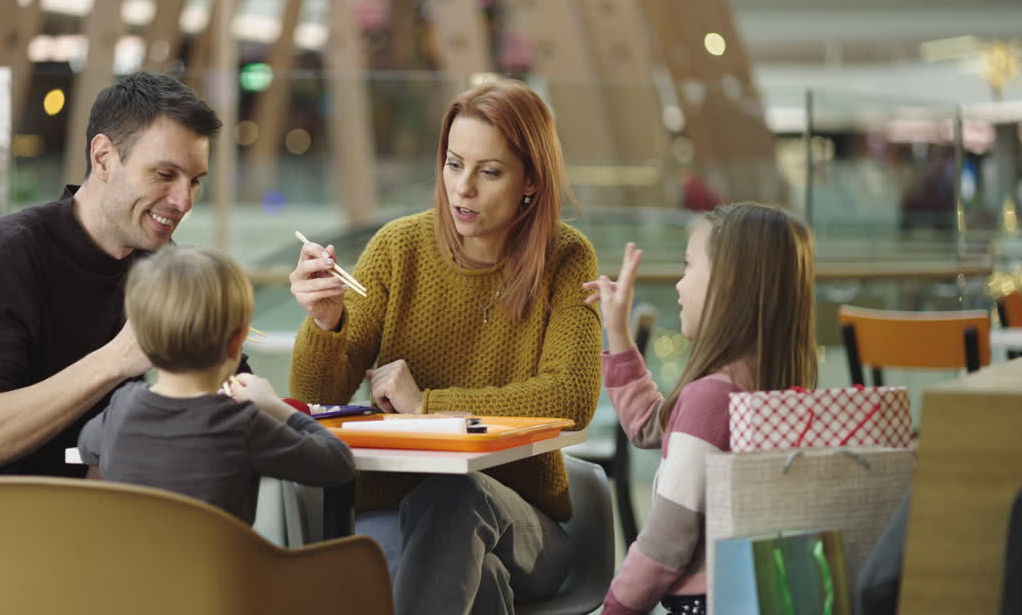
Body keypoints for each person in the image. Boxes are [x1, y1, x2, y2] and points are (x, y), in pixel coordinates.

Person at [288, 80, 603, 615]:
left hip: (524, 523)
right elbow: (315, 399)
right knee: (479, 581)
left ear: (530, 181)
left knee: (457, 495)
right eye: (454, 164)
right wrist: (326, 322)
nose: (463, 189)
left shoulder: (566, 259)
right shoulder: (397, 249)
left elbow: (570, 399)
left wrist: (426, 408)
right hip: (393, 516)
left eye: (489, 171)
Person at [0, 71, 231, 494]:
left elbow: (226, 384)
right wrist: (118, 358)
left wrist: (322, 326)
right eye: (164, 175)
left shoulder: (158, 262)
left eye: (194, 181)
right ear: (103, 158)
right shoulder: (1, 259)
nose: (184, 201)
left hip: (73, 519)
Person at [588, 203, 818, 615]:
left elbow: (666, 544)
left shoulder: (710, 398)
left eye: (688, 265)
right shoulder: (764, 383)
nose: (678, 284)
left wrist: (614, 608)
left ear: (728, 281)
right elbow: (648, 426)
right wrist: (619, 332)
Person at [76, 245, 353, 523]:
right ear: (236, 345)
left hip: (132, 567)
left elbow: (87, 445)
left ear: (143, 343)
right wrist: (276, 408)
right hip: (223, 567)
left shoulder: (122, 407)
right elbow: (338, 464)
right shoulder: (241, 424)